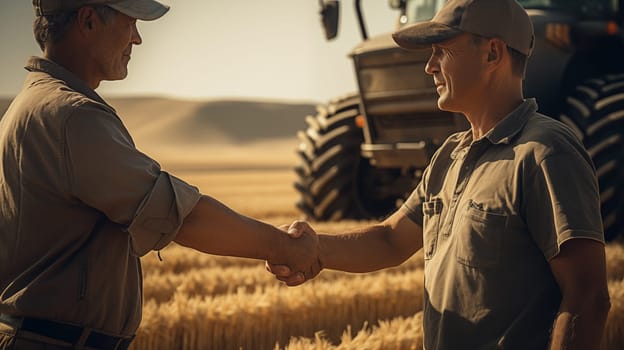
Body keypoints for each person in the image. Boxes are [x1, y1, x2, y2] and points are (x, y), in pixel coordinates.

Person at [268, 0, 611, 349]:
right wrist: (316, 248)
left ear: (492, 54)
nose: (429, 67)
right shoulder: (450, 155)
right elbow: (389, 240)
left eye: (442, 51)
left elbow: (588, 297)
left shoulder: (546, 153)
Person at [0, 1, 319, 349]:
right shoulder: (72, 116)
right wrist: (282, 247)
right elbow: (181, 217)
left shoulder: (31, 105)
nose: (137, 39)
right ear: (89, 20)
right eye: (131, 23)